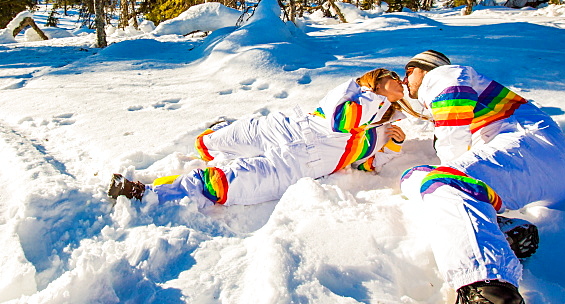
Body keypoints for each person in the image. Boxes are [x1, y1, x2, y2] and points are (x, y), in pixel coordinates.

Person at [399, 50, 565, 304]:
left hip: (530, 147)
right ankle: (499, 230)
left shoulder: (442, 76)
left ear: (417, 69)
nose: (404, 82)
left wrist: (451, 172)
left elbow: (452, 87)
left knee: (446, 183)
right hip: (544, 163)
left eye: (406, 75)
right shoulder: (463, 96)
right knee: (415, 179)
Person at [108, 68, 408, 207]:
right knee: (210, 142)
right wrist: (377, 94)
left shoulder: (383, 127)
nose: (399, 82)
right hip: (287, 127)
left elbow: (367, 167)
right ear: (378, 79)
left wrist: (392, 144)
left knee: (233, 181)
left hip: (303, 162)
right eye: (394, 77)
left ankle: (149, 193)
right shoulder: (353, 91)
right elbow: (341, 120)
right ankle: (221, 133)